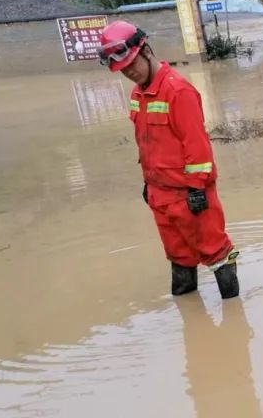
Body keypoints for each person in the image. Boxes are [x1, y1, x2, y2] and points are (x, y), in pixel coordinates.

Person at [98, 20, 239, 299]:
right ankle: (189, 317)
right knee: (178, 255)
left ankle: (234, 314)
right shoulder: (138, 94)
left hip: (190, 195)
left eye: (132, 65)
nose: (129, 73)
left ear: (146, 50)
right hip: (160, 195)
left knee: (216, 253)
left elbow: (196, 145)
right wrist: (149, 184)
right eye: (123, 70)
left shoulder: (178, 91)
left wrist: (198, 188)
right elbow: (148, 144)